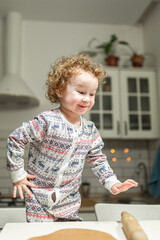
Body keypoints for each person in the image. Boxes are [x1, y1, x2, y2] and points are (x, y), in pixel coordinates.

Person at [7, 54, 138, 222]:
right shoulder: (47, 121)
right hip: (38, 199)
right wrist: (18, 174)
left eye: (92, 94)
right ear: (59, 90)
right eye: (81, 92)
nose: (87, 99)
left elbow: (98, 160)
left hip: (69, 201)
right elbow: (15, 138)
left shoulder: (90, 130)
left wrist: (112, 183)